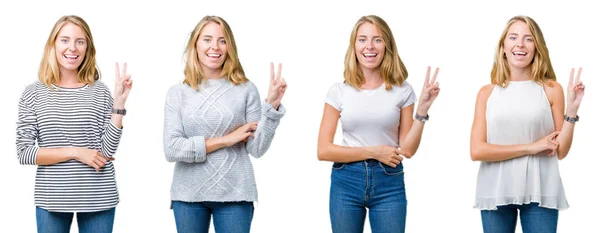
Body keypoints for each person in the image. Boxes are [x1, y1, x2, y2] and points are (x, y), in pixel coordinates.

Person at [163, 15, 287, 233]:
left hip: (236, 195)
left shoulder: (246, 89)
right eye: (207, 39)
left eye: (222, 40)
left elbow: (256, 149)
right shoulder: (177, 93)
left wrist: (272, 108)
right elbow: (172, 149)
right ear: (196, 44)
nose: (215, 47)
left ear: (230, 46)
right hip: (188, 195)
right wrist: (226, 140)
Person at [317, 15, 440, 233]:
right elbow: (323, 150)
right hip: (346, 181)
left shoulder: (402, 90)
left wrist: (422, 111)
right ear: (354, 46)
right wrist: (374, 152)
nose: (370, 47)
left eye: (377, 39)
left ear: (387, 46)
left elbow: (407, 149)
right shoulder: (338, 91)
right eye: (362, 39)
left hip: (388, 182)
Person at [16, 15, 133, 233]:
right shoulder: (34, 93)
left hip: (98, 197)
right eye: (65, 40)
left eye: (80, 41)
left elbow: (107, 151)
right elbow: (24, 153)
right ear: (53, 44)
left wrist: (119, 102)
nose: (73, 48)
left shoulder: (100, 91)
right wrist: (76, 152)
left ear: (88, 48)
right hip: (52, 199)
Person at [470, 15, 585, 233]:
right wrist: (530, 147)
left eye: (528, 39)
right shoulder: (487, 93)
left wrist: (571, 112)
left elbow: (561, 151)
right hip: (496, 189)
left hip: (540, 189)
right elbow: (477, 150)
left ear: (537, 47)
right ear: (503, 47)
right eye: (513, 37)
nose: (520, 44)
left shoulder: (551, 89)